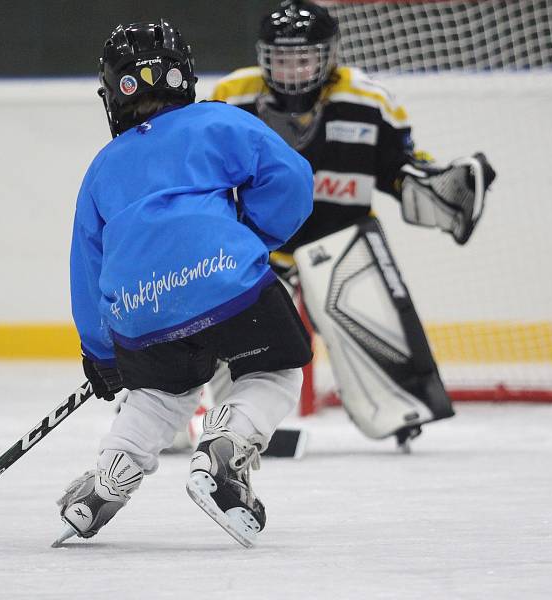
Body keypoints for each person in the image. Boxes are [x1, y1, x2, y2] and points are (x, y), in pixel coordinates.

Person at [54, 19, 314, 549]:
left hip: (138, 309)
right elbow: (291, 178)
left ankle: (107, 480)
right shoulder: (216, 122)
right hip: (223, 281)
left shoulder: (102, 167)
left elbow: (87, 266)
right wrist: (255, 231)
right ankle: (224, 446)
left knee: (159, 394)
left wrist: (101, 354)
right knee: (276, 371)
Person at [206, 0, 497, 450]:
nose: (293, 69)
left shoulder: (367, 98)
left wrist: (436, 185)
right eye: (281, 58)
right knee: (229, 338)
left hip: (341, 240)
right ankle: (221, 422)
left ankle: (400, 406)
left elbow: (398, 167)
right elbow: (206, 176)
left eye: (303, 57)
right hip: (258, 246)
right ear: (263, 57)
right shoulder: (231, 95)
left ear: (329, 56)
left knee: (397, 381)